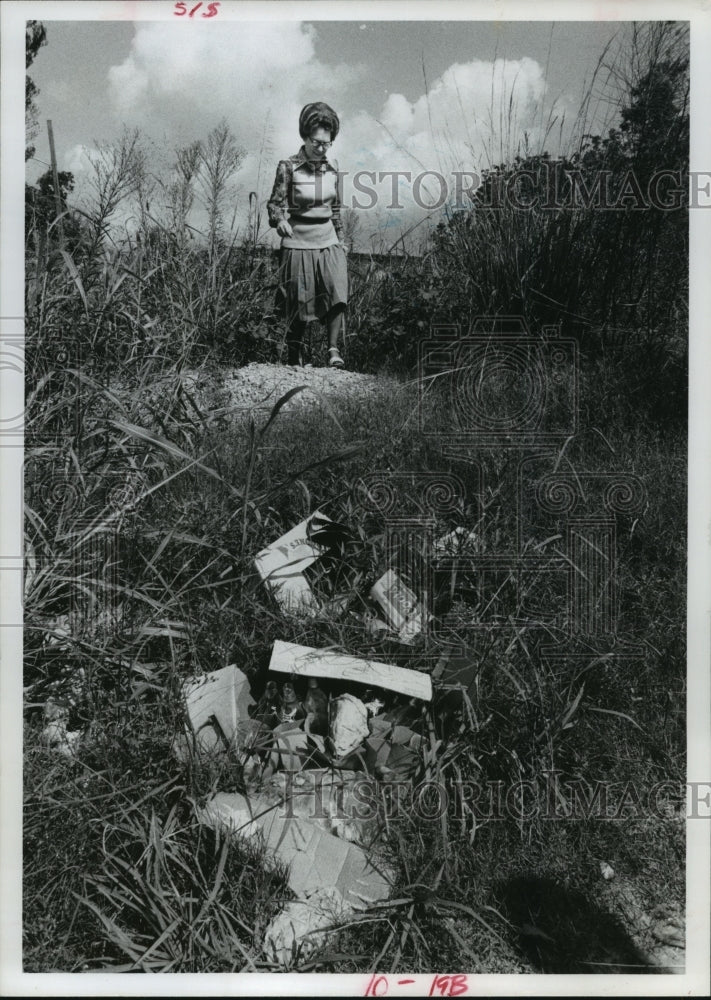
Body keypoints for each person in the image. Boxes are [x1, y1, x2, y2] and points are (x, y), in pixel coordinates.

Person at [267, 102, 348, 368]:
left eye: (327, 143)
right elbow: (275, 203)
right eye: (317, 142)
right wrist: (279, 221)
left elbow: (336, 208)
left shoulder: (334, 168)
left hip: (328, 239)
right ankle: (295, 354)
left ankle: (333, 349)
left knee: (337, 290)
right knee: (299, 301)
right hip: (297, 239)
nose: (322, 148)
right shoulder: (288, 167)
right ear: (305, 136)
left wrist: (343, 240)